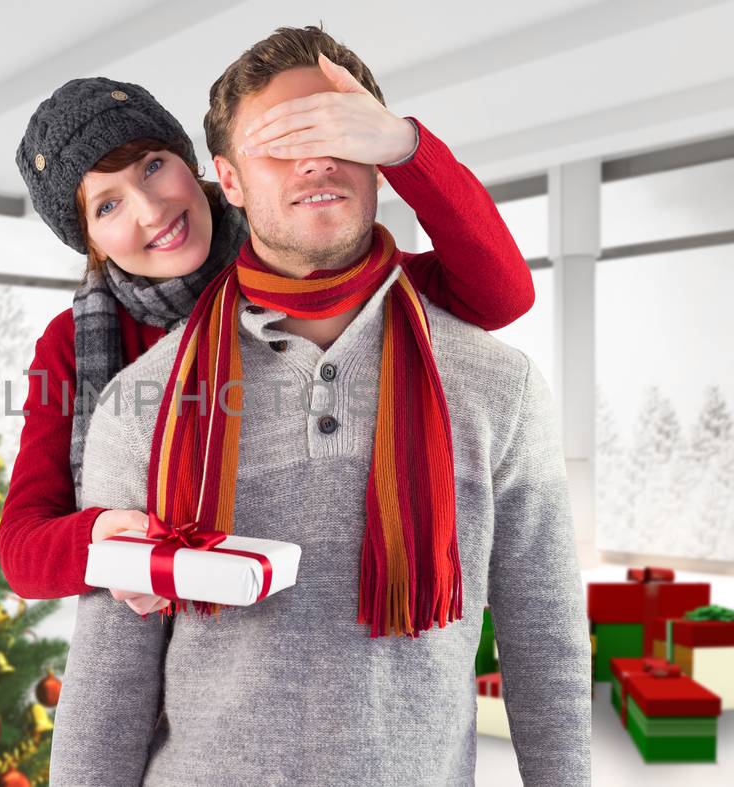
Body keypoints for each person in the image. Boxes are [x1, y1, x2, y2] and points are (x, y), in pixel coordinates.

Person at [49, 26, 590, 785]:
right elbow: (107, 687)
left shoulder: (498, 383)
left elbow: (546, 641)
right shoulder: (144, 406)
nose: (314, 158)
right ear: (229, 182)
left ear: (378, 153)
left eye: (338, 130)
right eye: (279, 141)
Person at [0, 63, 536, 616]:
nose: (151, 209)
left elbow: (501, 296)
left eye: (153, 166)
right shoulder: (73, 344)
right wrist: (106, 541)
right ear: (91, 242)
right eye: (107, 205)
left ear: (196, 165)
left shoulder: (303, 267)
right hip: (188, 644)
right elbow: (22, 548)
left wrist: (404, 148)